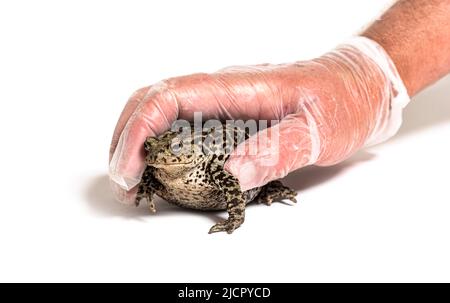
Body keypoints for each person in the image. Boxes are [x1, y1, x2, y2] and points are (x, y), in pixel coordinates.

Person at [109, 0, 450, 204]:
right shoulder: (162, 164)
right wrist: (377, 63)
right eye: (153, 150)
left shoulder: (205, 157)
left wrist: (372, 73)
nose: (157, 155)